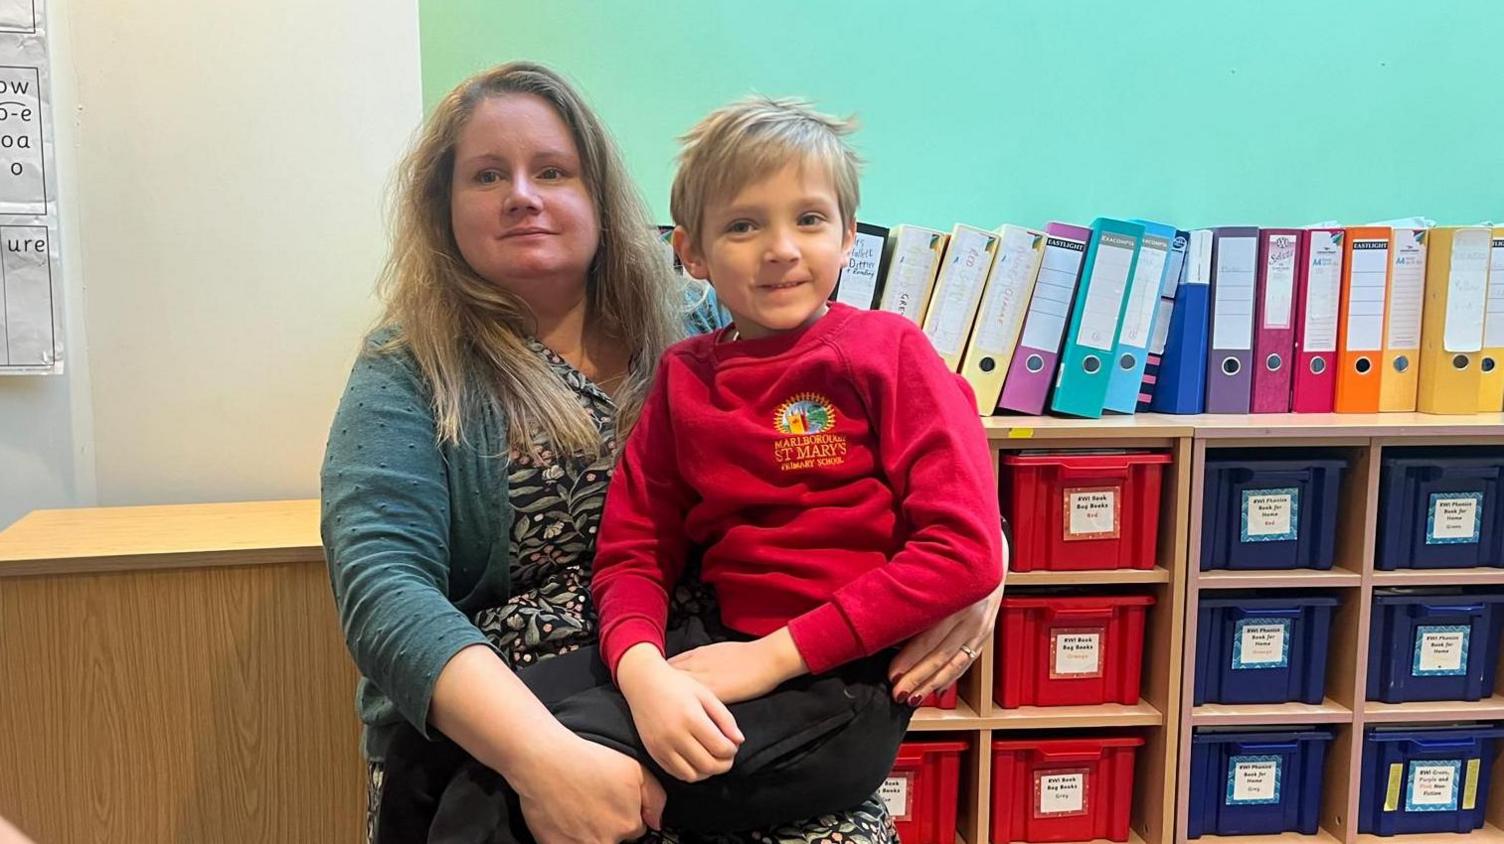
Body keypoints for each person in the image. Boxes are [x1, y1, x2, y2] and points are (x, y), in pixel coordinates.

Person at [321, 60, 1004, 844]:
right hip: (539, 687)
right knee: (439, 778)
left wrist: (981, 570)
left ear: (600, 197)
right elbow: (384, 586)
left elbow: (935, 473)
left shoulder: (707, 312)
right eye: (486, 175)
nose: (522, 194)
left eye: (553, 170)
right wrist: (545, 752)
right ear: (442, 206)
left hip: (757, 666)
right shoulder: (409, 365)